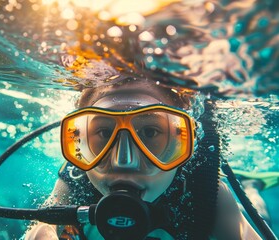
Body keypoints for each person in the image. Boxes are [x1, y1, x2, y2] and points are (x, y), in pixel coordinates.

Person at [24, 77, 263, 240]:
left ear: (183, 142)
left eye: (150, 132)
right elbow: (42, 225)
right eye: (104, 133)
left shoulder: (204, 190)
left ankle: (252, 188)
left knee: (261, 214)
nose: (123, 161)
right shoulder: (76, 179)